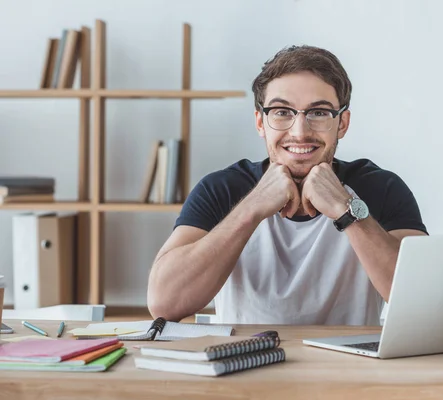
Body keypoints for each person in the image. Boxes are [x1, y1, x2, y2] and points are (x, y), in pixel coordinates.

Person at [147, 45, 428, 325]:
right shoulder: (221, 188)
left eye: (318, 113)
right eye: (282, 112)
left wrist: (347, 211)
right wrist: (251, 208)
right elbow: (164, 302)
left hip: (350, 368)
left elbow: (424, 302)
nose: (300, 132)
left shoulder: (381, 188)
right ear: (260, 122)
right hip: (245, 364)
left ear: (342, 123)